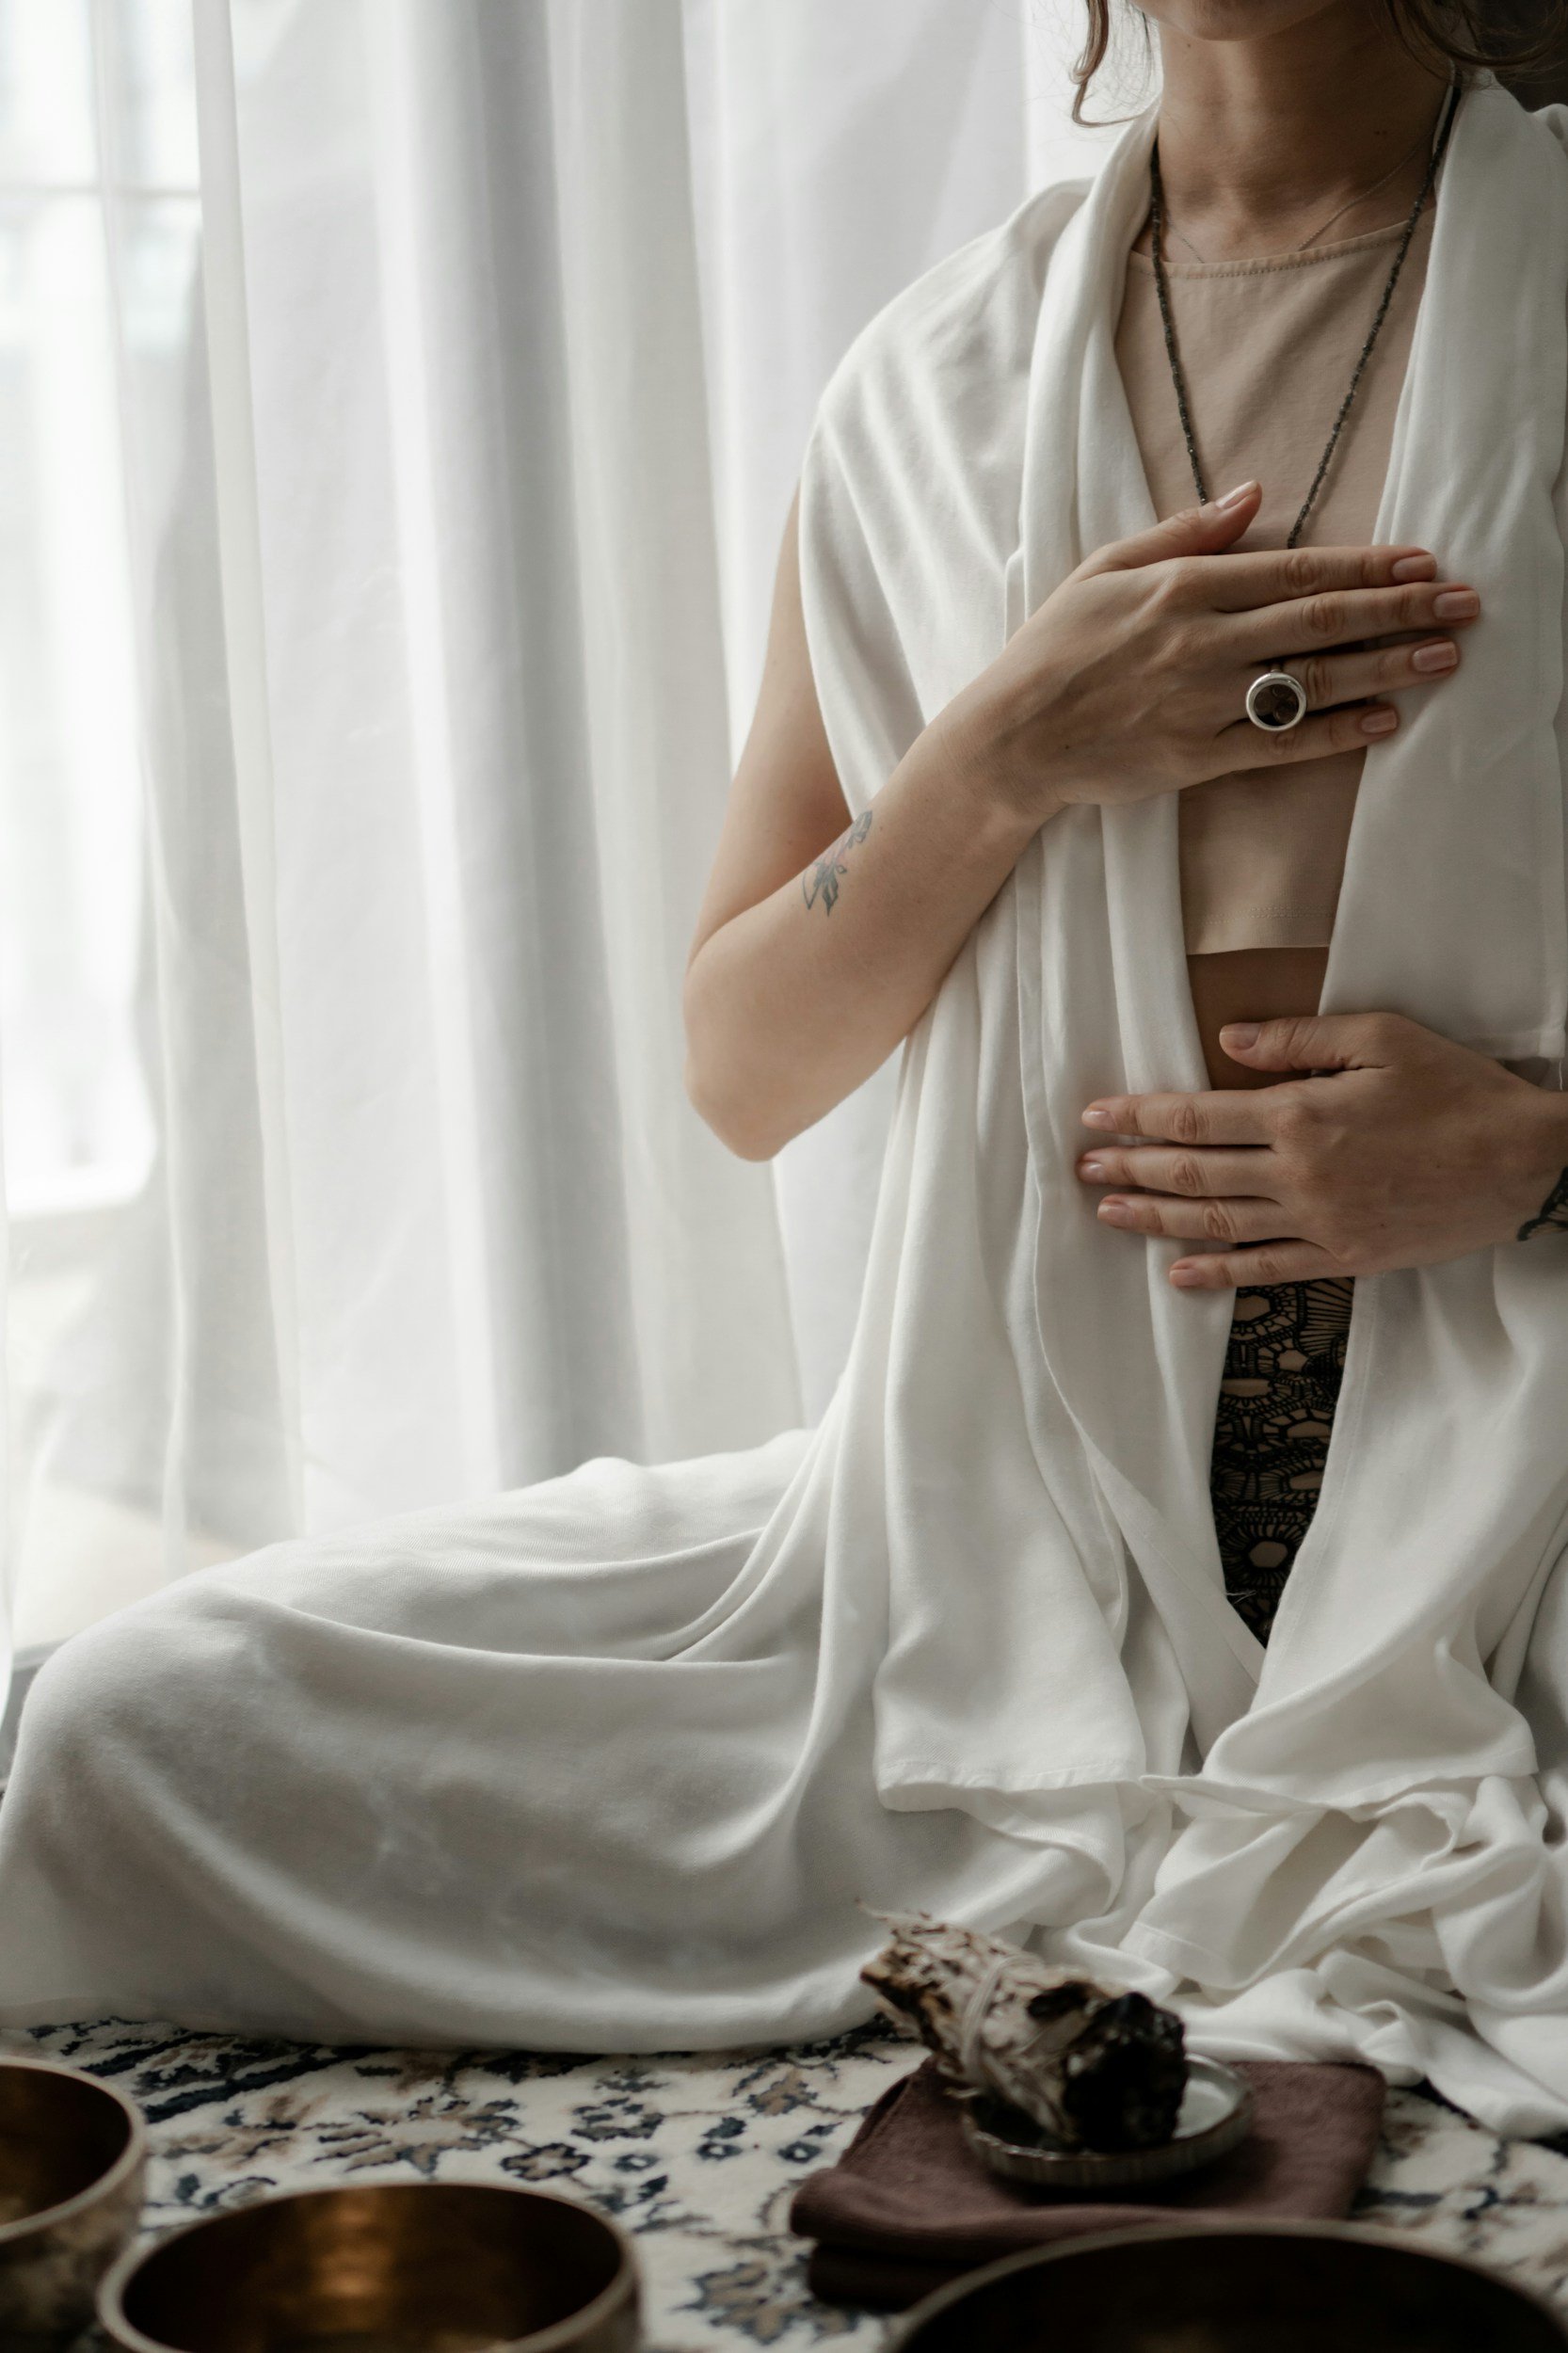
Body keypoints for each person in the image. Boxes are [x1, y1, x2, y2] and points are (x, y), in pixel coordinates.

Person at [6, 0, 1568, 2137]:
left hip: (1513, 1517)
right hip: (999, 1544)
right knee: (128, 1725)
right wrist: (1001, 751)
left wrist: (1533, 1157)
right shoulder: (928, 385)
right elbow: (742, 1061)